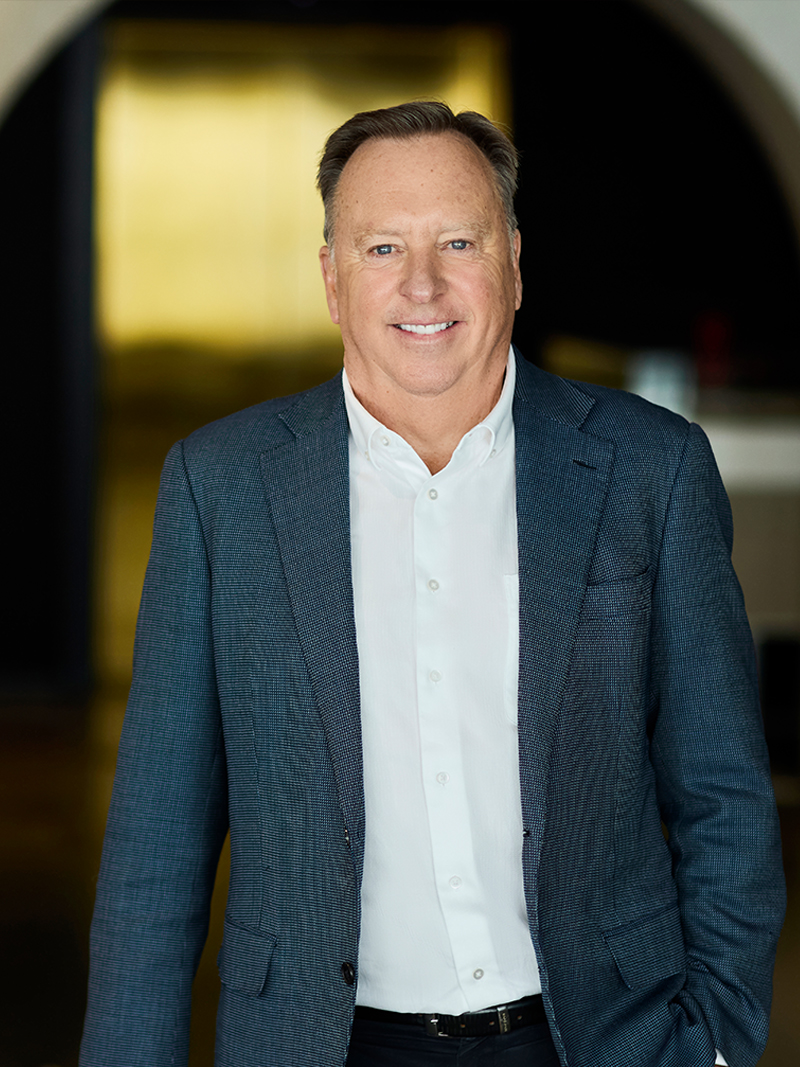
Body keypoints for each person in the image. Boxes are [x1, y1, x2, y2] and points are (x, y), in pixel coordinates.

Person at [80, 101, 785, 1067]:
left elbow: (724, 794)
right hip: (315, 1047)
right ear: (331, 277)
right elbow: (154, 855)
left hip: (604, 1040)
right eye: (380, 249)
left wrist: (712, 1045)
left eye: (458, 240)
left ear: (515, 261)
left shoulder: (649, 470)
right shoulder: (221, 488)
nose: (421, 283)